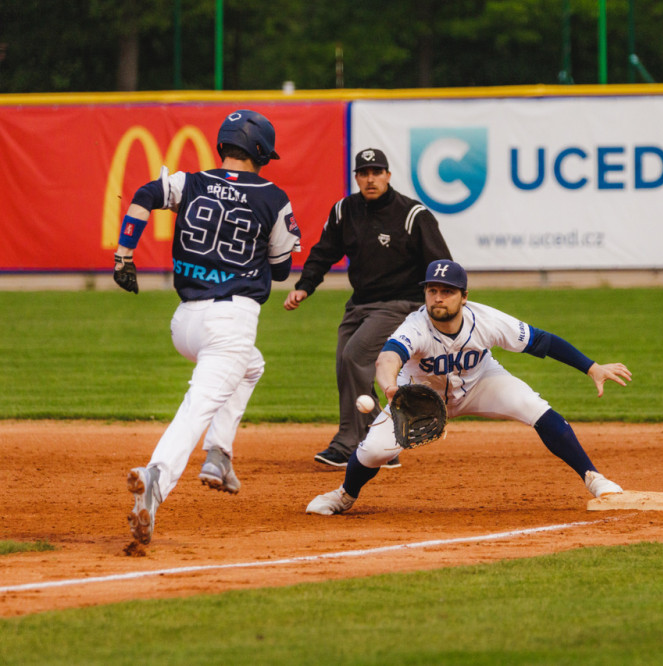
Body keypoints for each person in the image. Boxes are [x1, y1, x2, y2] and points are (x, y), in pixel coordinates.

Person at [305, 259, 631, 515]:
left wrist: (591, 367)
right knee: (375, 451)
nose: (438, 297)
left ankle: (594, 478)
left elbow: (541, 341)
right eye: (432, 290)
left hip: (481, 383)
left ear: (464, 296)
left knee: (536, 408)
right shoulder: (416, 326)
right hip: (418, 398)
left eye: (446, 291)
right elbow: (387, 358)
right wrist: (390, 388)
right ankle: (344, 495)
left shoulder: (486, 320)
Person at [115, 109, 301, 544]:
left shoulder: (190, 182)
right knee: (197, 406)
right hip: (231, 321)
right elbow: (279, 270)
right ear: (260, 152)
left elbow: (144, 193)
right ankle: (155, 478)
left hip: (186, 323)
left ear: (223, 144)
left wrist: (124, 254)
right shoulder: (273, 197)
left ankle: (218, 455)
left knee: (251, 367)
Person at [283, 147, 451, 469]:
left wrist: (438, 307)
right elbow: (323, 252)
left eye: (377, 172)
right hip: (359, 303)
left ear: (388, 175)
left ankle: (347, 443)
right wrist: (305, 286)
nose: (370, 178)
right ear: (357, 177)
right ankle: (385, 441)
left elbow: (440, 264)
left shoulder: (413, 215)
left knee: (355, 357)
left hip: (400, 304)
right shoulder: (345, 211)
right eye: (364, 173)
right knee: (345, 368)